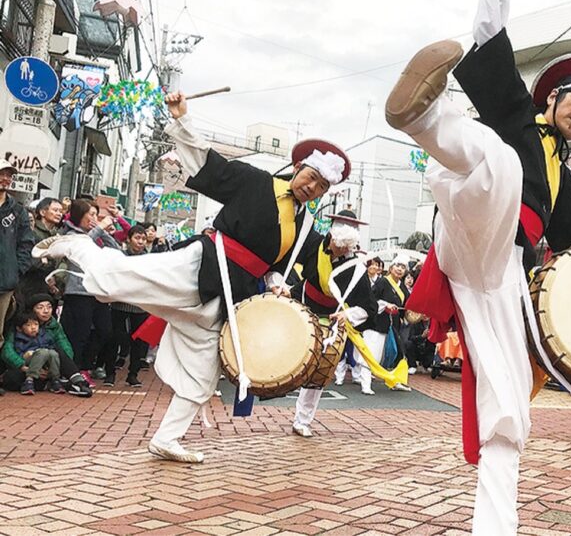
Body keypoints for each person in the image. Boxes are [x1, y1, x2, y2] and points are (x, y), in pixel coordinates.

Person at [384, 0, 571, 533]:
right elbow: (489, 34)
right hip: (471, 225)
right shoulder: (519, 116)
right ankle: (420, 115)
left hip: (503, 276)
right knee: (497, 159)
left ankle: (495, 524)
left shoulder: (569, 185)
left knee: (511, 402)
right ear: (557, 96)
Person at [33, 91, 350, 463]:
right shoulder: (255, 181)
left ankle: (166, 438)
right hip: (202, 263)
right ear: (298, 169)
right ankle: (78, 247)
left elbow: (299, 264)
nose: (312, 188)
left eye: (321, 187)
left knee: (203, 372)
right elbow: (206, 163)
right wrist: (182, 117)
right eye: (311, 178)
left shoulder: (306, 222)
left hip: (231, 297)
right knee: (114, 282)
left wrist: (306, 265)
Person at [288, 210, 377, 438]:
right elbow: (293, 267)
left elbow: (368, 306)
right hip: (301, 305)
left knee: (319, 369)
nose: (342, 252)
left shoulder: (356, 267)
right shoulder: (314, 245)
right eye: (339, 247)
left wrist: (348, 314)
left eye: (347, 248)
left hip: (331, 318)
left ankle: (302, 420)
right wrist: (284, 288)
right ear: (331, 239)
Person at [57, 199, 120, 386]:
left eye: (95, 214)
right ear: (79, 215)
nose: (93, 218)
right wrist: (100, 227)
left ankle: (85, 365)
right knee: (79, 334)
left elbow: (115, 251)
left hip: (97, 291)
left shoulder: (95, 234)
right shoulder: (71, 234)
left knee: (104, 330)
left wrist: (107, 234)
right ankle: (74, 371)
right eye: (90, 214)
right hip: (78, 292)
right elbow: (82, 245)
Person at [1, 295, 91, 396]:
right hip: (26, 365)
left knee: (57, 350)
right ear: (32, 310)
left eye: (49, 307)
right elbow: (7, 351)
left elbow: (65, 347)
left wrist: (54, 369)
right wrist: (23, 366)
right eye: (40, 307)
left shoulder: (53, 324)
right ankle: (49, 384)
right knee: (11, 379)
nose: (46, 311)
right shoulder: (20, 322)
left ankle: (78, 382)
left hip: (49, 362)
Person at [110, 225, 152, 388]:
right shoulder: (121, 256)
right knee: (115, 338)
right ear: (129, 239)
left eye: (143, 238)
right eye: (137, 238)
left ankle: (132, 374)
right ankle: (110, 373)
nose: (140, 242)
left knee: (139, 340)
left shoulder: (148, 259)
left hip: (140, 306)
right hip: (119, 304)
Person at [0, 160, 33, 342]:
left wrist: (16, 270)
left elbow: (26, 243)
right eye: (1, 174)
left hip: (4, 282)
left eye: (9, 175)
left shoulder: (18, 211)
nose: (5, 179)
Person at [371, 256, 412, 393]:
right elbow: (372, 299)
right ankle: (366, 375)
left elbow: (407, 305)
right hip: (380, 322)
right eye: (397, 266)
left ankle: (397, 380)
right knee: (376, 351)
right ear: (391, 268)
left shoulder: (403, 288)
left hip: (394, 323)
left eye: (403, 267)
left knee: (400, 351)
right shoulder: (382, 282)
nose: (400, 269)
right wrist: (385, 305)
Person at [10, 312, 64, 395]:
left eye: (36, 324)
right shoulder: (20, 339)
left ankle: (55, 380)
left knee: (53, 353)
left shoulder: (44, 335)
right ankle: (29, 380)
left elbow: (51, 346)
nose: (33, 327)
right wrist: (24, 356)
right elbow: (19, 353)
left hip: (44, 361)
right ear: (19, 328)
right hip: (29, 361)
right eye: (28, 325)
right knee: (42, 352)